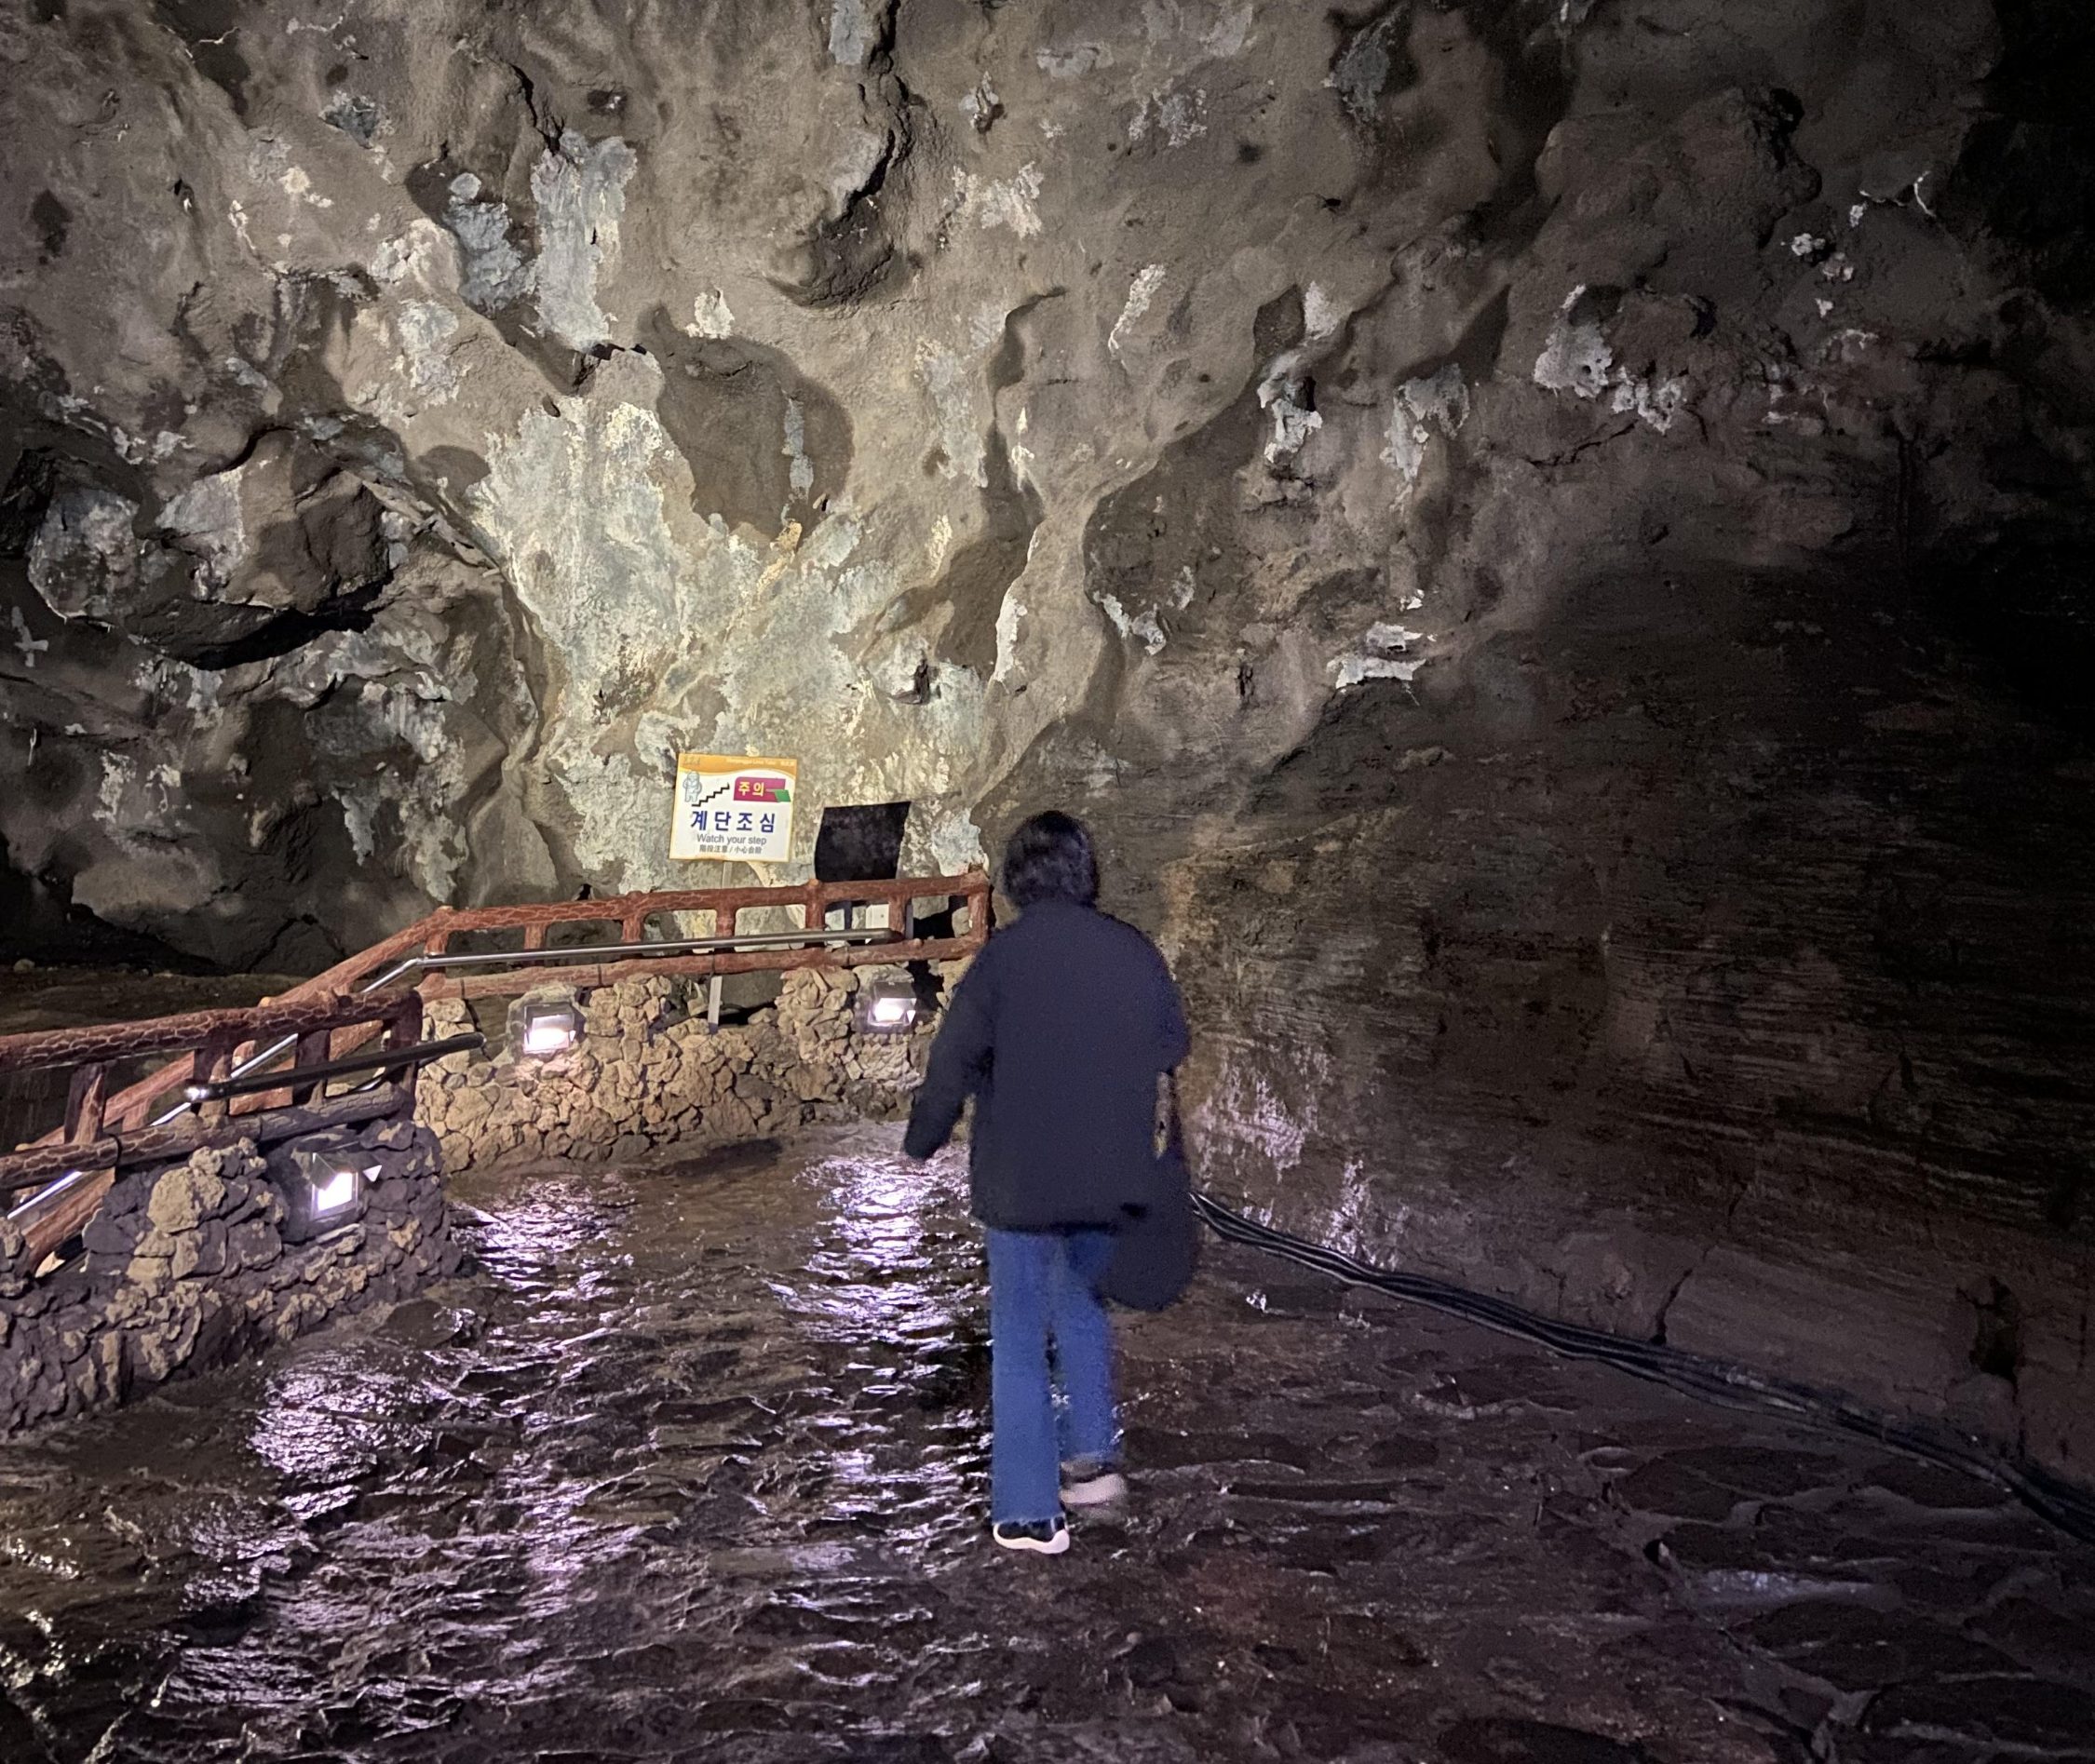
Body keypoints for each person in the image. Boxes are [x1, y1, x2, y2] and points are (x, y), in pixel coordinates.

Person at [903, 811, 1191, 1555]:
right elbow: (1172, 1044)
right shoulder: (1133, 953)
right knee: (1084, 1307)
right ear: (1085, 871)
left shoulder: (1002, 963)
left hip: (1022, 1186)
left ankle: (1029, 1511)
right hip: (1107, 1178)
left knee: (1022, 1336)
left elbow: (952, 1062)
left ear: (1016, 880)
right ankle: (1092, 1464)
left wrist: (922, 1140)